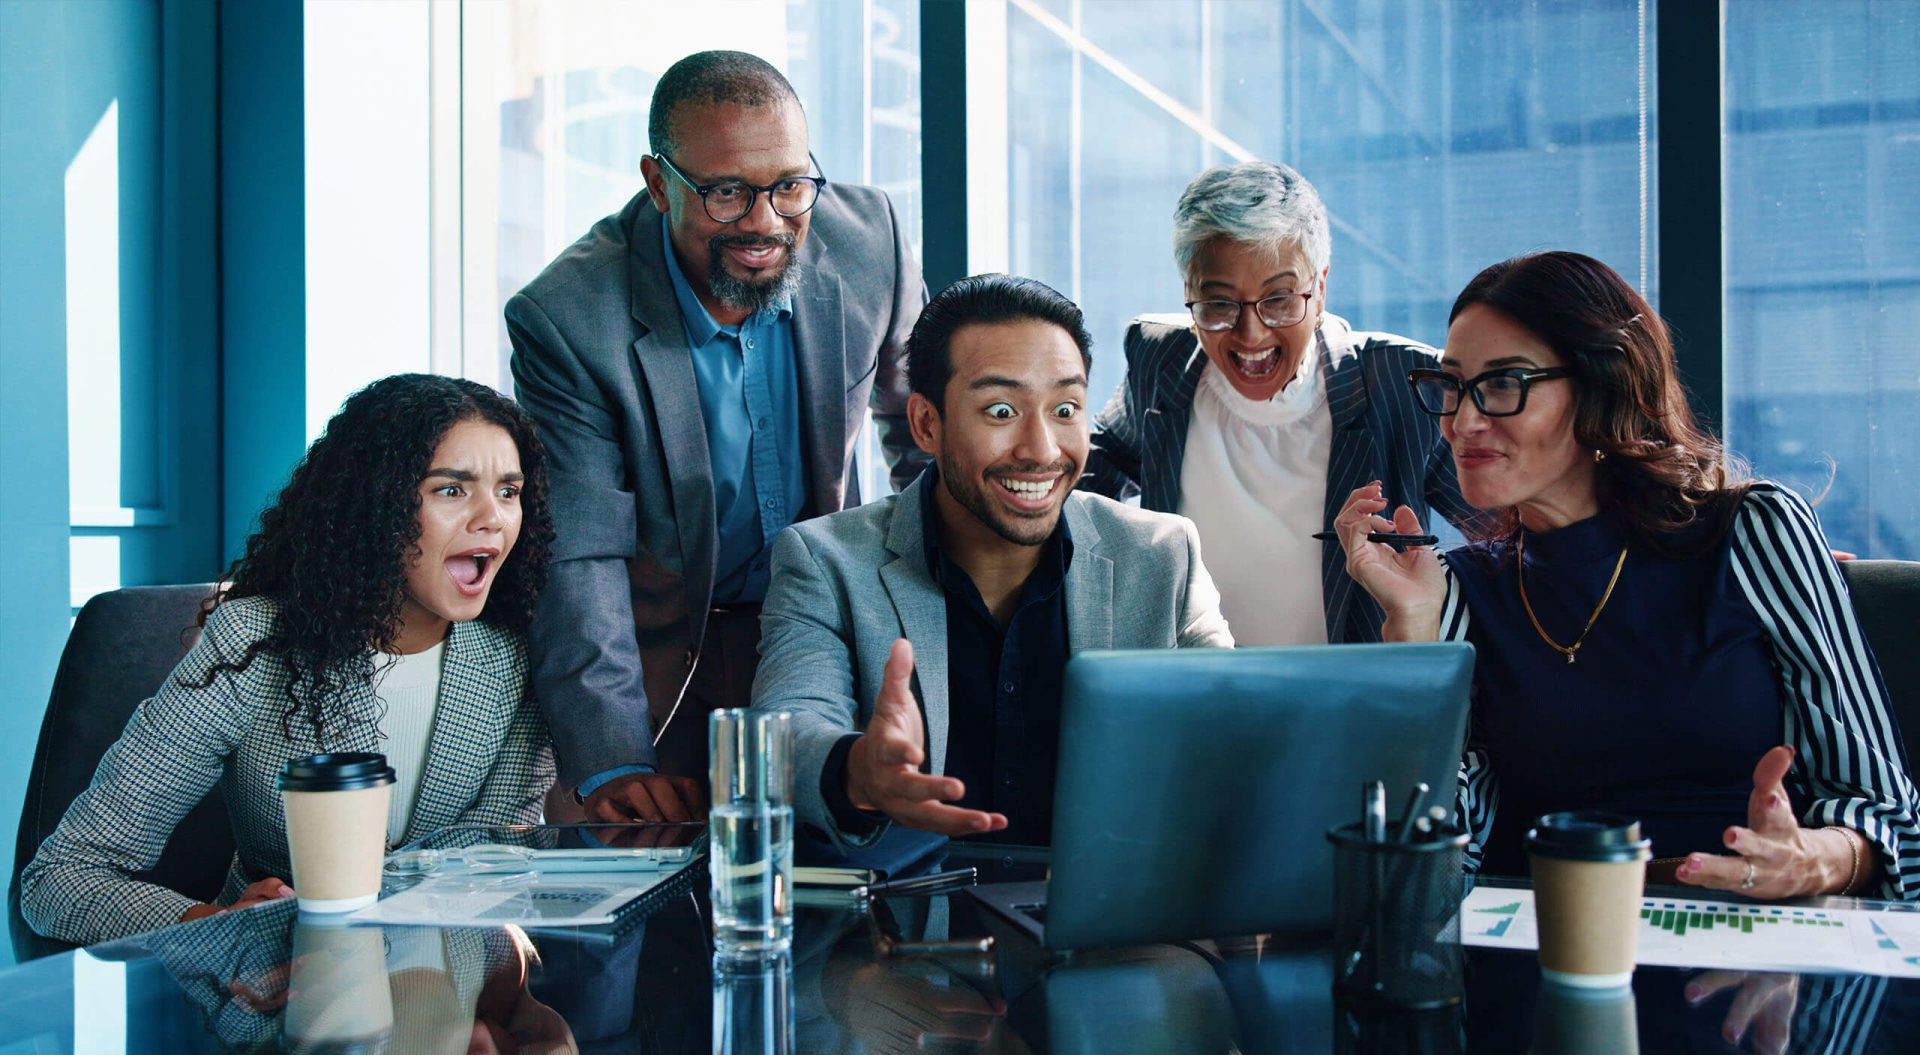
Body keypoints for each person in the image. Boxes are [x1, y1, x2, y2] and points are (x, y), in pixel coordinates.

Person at [1336, 251, 1920, 899]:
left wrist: (1818, 858)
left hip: (1742, 941)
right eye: (1451, 386)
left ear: (1601, 389)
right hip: (1545, 945)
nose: (1461, 422)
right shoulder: (1455, 589)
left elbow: (1890, 814)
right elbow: (1423, 870)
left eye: (1504, 384)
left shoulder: (1752, 533)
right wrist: (1412, 633)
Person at [506, 50, 926, 825]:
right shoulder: (569, 319)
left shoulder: (870, 242)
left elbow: (919, 430)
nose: (765, 222)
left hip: (826, 631)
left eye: (789, 186)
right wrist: (613, 760)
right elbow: (582, 553)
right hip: (662, 661)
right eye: (727, 193)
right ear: (658, 181)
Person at [21, 375, 558, 945]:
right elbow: (59, 879)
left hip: (452, 997)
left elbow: (498, 869)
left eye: (508, 491)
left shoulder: (516, 658)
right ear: (373, 503)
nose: (492, 518)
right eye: (451, 490)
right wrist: (218, 927)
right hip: (263, 994)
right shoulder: (253, 644)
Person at [752, 275, 1233, 851]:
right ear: (927, 424)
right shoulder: (825, 562)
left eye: (1064, 408)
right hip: (911, 928)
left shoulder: (1160, 556)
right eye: (1001, 410)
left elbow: (1234, 727)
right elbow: (787, 729)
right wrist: (858, 771)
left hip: (1112, 928)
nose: (1042, 450)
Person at [1083, 161, 1480, 645]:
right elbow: (1095, 466)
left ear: (1321, 288)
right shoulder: (1159, 357)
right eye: (1220, 304)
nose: (1250, 333)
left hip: (1347, 705)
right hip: (1193, 700)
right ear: (1188, 292)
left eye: (1279, 299)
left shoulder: (1405, 384)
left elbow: (1511, 533)